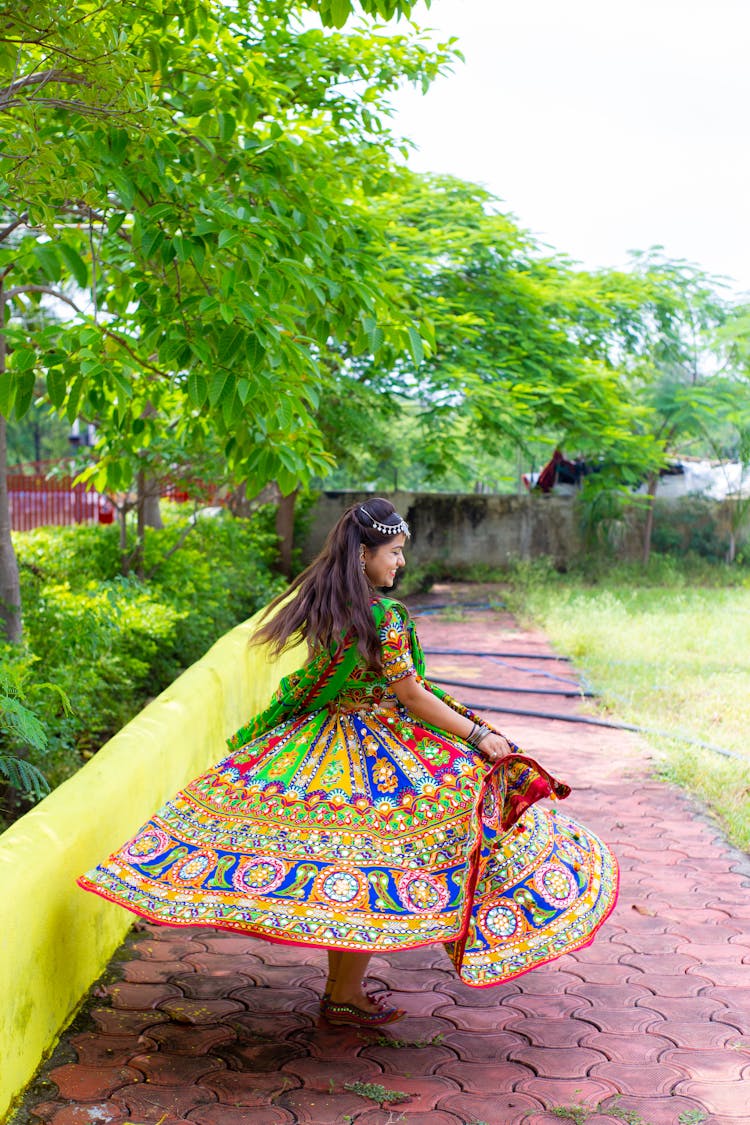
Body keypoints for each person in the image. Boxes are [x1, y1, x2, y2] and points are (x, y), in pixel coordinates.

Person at [79, 498, 618, 1027]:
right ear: (364, 554)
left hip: (323, 745)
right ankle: (345, 993)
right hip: (375, 754)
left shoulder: (334, 603)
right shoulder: (384, 616)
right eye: (395, 552)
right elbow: (411, 695)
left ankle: (344, 994)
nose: (401, 563)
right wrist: (477, 734)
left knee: (354, 868)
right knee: (399, 853)